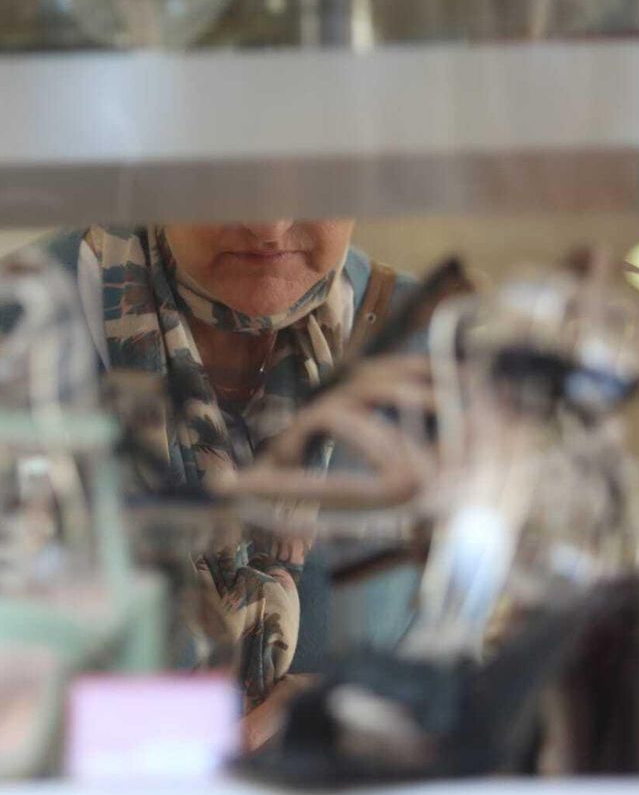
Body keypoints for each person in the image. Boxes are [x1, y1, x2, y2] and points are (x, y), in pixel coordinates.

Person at [33, 220, 419, 709]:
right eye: (228, 179)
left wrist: (332, 708)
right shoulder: (17, 333)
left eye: (310, 175)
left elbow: (469, 662)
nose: (270, 226)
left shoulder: (428, 347)